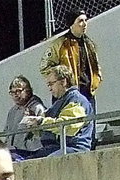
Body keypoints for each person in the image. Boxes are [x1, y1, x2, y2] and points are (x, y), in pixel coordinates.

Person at [40, 6, 101, 145]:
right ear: (71, 23)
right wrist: (59, 78)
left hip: (88, 92)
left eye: (86, 20)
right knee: (65, 129)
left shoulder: (89, 43)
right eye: (80, 21)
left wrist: (97, 80)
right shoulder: (59, 44)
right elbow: (44, 66)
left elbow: (96, 65)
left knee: (89, 130)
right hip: (68, 93)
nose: (84, 24)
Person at [22, 64, 92, 157]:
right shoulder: (59, 102)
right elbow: (47, 126)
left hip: (75, 149)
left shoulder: (77, 100)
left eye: (51, 84)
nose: (50, 88)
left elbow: (68, 126)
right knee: (28, 160)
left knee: (45, 162)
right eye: (48, 85)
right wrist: (34, 124)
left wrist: (41, 121)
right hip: (57, 147)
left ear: (63, 82)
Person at [3, 75, 46, 158]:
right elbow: (7, 133)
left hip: (28, 153)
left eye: (18, 91)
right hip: (11, 152)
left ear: (28, 90)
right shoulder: (12, 111)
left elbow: (40, 136)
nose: (15, 95)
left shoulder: (37, 108)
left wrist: (26, 146)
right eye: (12, 92)